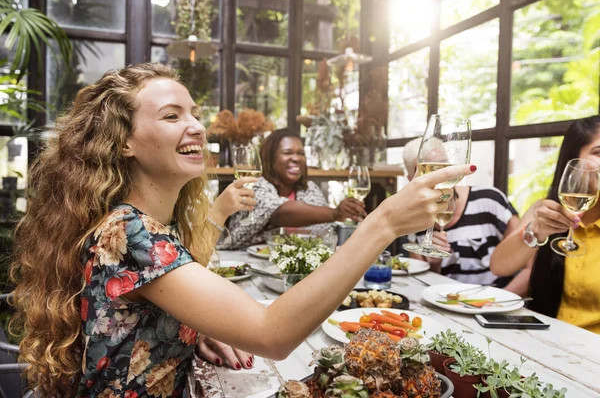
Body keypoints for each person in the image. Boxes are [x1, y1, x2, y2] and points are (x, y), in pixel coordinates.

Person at [10, 63, 474, 396]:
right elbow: (271, 334)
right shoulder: (128, 232)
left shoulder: (145, 223)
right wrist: (384, 222)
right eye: (172, 116)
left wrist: (185, 327)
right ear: (124, 142)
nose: (196, 126)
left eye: (194, 113)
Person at [491, 115, 600, 334]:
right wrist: (537, 231)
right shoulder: (546, 211)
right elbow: (499, 266)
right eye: (598, 152)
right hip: (546, 345)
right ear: (574, 160)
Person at [402, 137, 527, 294]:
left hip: (495, 305)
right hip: (445, 305)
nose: (435, 177)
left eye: (439, 168)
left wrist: (498, 303)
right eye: (424, 172)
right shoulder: (414, 220)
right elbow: (424, 286)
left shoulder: (489, 200)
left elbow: (529, 266)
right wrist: (435, 264)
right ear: (410, 180)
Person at [218, 129, 367, 249]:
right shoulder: (256, 185)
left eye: (300, 153)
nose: (296, 158)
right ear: (271, 158)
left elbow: (323, 231)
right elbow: (280, 212)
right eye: (288, 153)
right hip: (245, 261)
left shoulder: (309, 189)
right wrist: (335, 213)